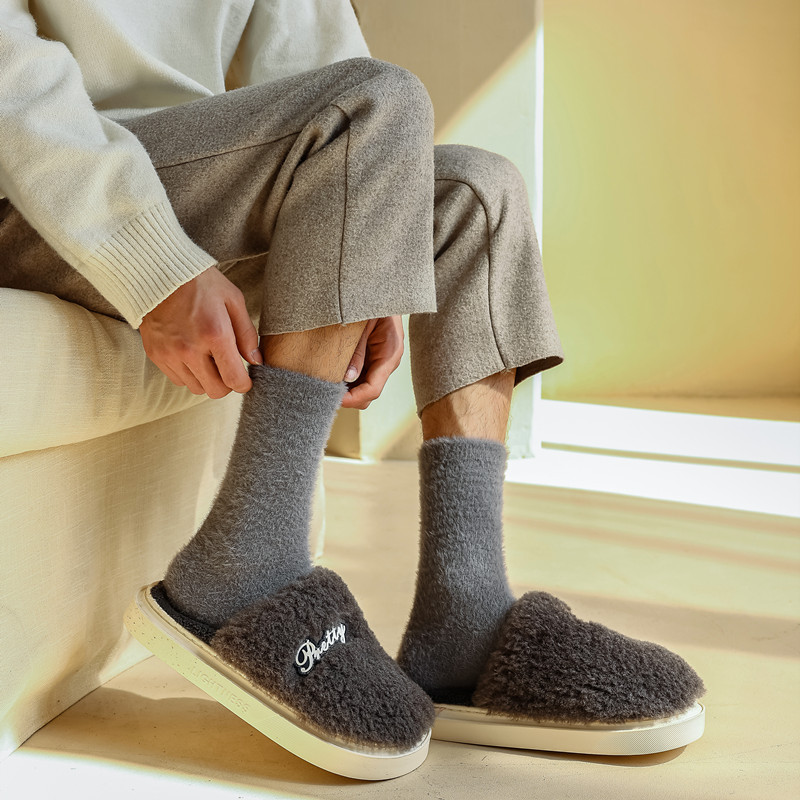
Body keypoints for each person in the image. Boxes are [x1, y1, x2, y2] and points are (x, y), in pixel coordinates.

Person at [0, 0, 705, 781]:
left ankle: (465, 622)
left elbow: (317, 56)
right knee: (370, 105)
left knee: (475, 192)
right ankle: (241, 566)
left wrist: (370, 252)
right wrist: (153, 262)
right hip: (36, 185)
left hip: (205, 177)